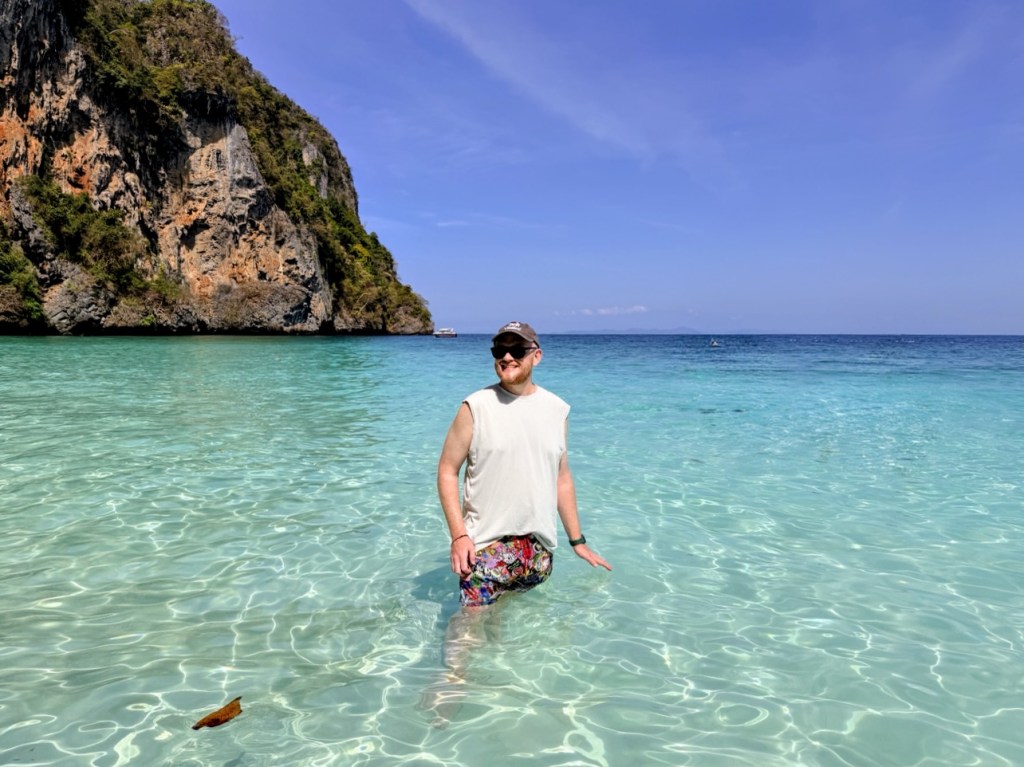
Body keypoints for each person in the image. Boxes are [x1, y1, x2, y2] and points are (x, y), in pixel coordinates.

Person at [437, 320, 611, 608]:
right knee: (465, 640)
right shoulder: (475, 406)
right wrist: (458, 536)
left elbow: (561, 477)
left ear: (536, 356)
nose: (507, 357)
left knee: (511, 641)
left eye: (517, 349)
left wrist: (577, 541)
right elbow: (446, 471)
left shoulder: (558, 410)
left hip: (538, 556)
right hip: (484, 550)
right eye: (499, 351)